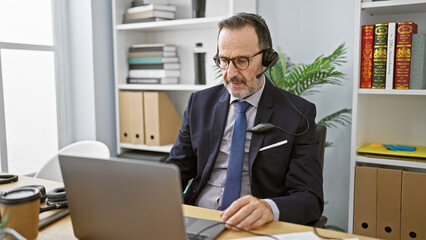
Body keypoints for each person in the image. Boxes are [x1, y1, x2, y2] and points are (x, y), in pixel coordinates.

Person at [166, 12, 323, 230]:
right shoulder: (199, 103)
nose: (230, 73)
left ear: (267, 60)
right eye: (223, 60)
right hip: (197, 219)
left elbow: (310, 199)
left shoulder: (298, 113)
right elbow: (175, 171)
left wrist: (269, 208)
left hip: (254, 226)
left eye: (242, 61)